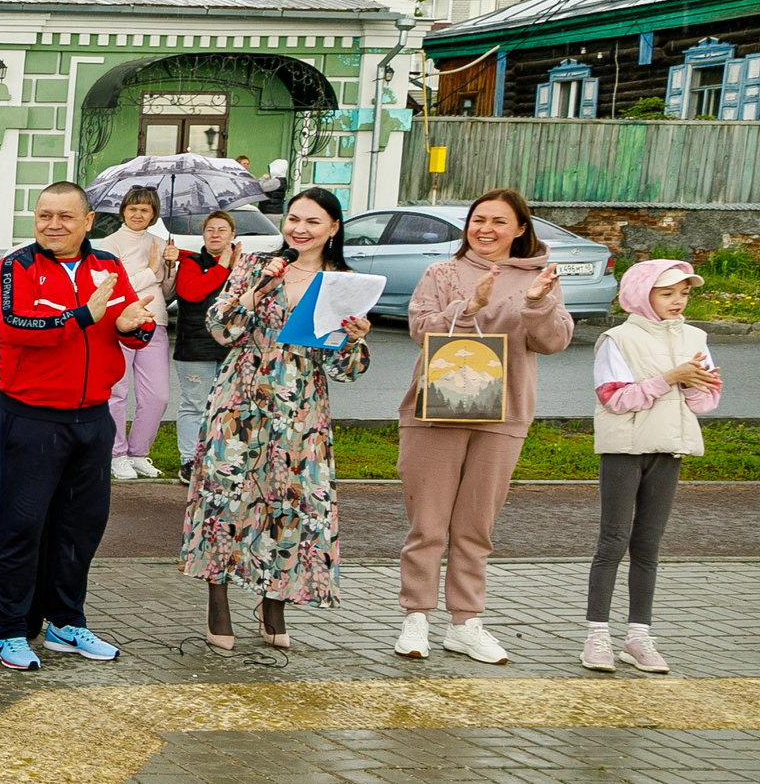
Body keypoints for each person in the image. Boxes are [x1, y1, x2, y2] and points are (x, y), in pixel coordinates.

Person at [179, 189, 372, 651]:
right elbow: (221, 328)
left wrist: (353, 340)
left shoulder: (342, 282)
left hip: (300, 408)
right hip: (239, 398)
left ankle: (274, 604)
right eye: (292, 219)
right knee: (225, 500)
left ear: (333, 228)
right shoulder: (254, 266)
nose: (299, 229)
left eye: (312, 221)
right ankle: (218, 603)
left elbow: (345, 370)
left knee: (290, 506)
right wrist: (255, 289)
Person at [0, 179, 155, 672]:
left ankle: (64, 623)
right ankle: (9, 631)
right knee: (20, 528)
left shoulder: (108, 266)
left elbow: (133, 324)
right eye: (44, 216)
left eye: (64, 217)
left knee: (80, 529)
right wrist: (84, 315)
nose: (52, 225)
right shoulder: (15, 267)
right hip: (32, 417)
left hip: (93, 418)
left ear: (86, 222)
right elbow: (14, 325)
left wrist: (134, 326)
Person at [395, 188, 573, 664]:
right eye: (478, 220)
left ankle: (466, 622)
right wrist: (467, 306)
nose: (486, 229)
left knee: (476, 526)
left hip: (504, 415)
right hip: (437, 410)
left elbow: (554, 341)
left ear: (520, 229)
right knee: (428, 522)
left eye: (498, 221)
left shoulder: (541, 278)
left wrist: (537, 304)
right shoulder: (442, 273)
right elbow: (419, 329)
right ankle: (416, 617)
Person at [582, 258, 719, 675]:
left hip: (670, 448)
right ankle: (597, 636)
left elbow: (705, 401)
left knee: (649, 545)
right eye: (667, 293)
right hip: (625, 450)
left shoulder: (695, 335)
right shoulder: (617, 338)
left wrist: (699, 386)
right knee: (613, 541)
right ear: (642, 294)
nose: (677, 301)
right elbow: (615, 399)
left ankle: (638, 637)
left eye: (684, 293)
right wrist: (670, 378)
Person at [100, 185, 176, 480]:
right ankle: (115, 454)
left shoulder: (160, 242)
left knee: (157, 396)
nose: (137, 214)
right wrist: (151, 269)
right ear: (123, 211)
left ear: (153, 214)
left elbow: (167, 292)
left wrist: (170, 267)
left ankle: (139, 452)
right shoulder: (109, 244)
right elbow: (114, 287)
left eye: (144, 210)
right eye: (132, 208)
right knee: (117, 392)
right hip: (119, 324)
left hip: (154, 322)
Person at [169, 210, 237, 480]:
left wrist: (234, 266)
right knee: (195, 405)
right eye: (210, 229)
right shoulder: (192, 264)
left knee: (229, 407)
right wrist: (222, 268)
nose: (215, 234)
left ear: (233, 235)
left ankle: (221, 459)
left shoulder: (242, 266)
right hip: (195, 348)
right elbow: (190, 292)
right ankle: (190, 461)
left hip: (232, 347)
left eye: (222, 229)